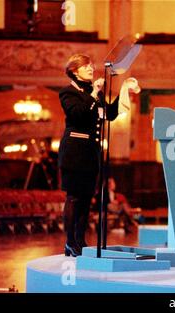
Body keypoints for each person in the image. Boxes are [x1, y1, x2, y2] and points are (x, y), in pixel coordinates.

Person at [58, 54, 119, 257]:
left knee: (86, 199)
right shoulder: (68, 92)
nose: (91, 68)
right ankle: (69, 242)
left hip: (91, 153)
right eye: (86, 66)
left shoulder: (95, 93)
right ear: (75, 71)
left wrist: (124, 92)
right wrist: (94, 93)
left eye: (92, 65)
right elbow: (78, 114)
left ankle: (80, 240)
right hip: (74, 153)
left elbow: (108, 114)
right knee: (74, 198)